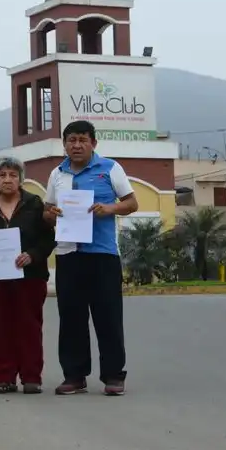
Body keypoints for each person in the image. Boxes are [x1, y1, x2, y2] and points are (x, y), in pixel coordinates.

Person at [43, 120, 139, 397]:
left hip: (103, 254)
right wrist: (51, 215)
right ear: (64, 144)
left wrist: (110, 208)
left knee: (107, 317)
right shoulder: (57, 174)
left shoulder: (110, 168)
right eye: (71, 140)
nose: (76, 145)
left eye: (82, 139)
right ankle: (74, 376)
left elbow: (132, 203)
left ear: (93, 143)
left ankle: (113, 375)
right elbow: (47, 212)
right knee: (71, 318)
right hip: (68, 254)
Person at [0, 157, 56, 395]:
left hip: (30, 276)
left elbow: (48, 239)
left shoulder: (35, 205)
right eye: (2, 175)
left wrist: (32, 255)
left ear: (20, 179)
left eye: (13, 175)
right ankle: (4, 376)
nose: (7, 180)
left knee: (29, 326)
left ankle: (31, 377)